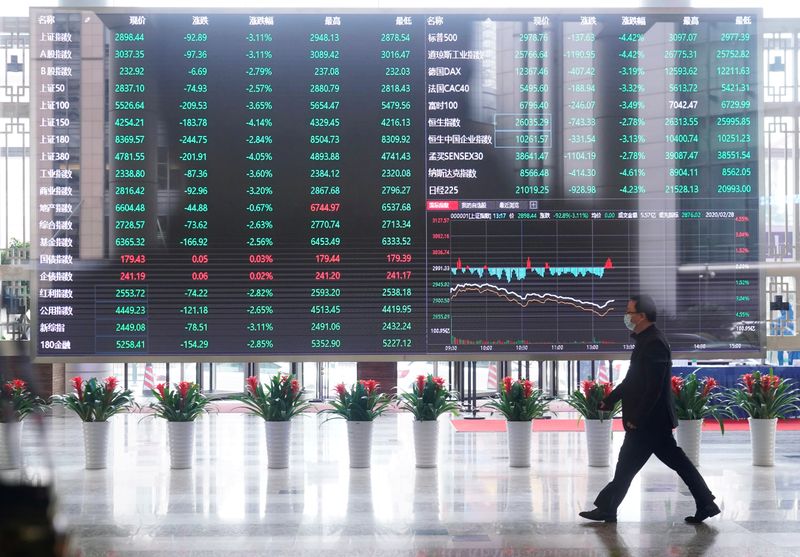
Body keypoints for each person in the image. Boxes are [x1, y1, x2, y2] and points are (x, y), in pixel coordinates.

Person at [579, 294, 720, 524]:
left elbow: (654, 388)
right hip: (651, 422)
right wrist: (611, 399)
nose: (627, 316)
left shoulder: (654, 342)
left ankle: (607, 509)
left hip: (650, 423)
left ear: (642, 316)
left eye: (630, 312)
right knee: (645, 465)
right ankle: (706, 503)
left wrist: (637, 417)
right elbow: (633, 380)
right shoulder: (646, 340)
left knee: (628, 466)